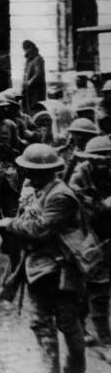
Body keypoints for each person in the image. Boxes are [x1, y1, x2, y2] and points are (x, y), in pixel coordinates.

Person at [0, 144, 85, 373]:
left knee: (67, 321)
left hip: (61, 267)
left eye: (33, 171)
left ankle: (74, 368)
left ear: (48, 172)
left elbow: (40, 229)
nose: (28, 175)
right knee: (40, 321)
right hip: (38, 265)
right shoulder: (37, 190)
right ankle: (50, 371)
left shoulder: (61, 196)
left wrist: (8, 224)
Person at [68, 136, 111, 359]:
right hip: (89, 236)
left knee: (98, 288)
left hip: (108, 234)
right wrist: (99, 204)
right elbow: (74, 201)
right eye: (99, 157)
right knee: (96, 288)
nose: (104, 161)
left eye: (107, 156)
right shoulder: (80, 173)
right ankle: (104, 341)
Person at [22, 40, 46, 114]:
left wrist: (29, 82)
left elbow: (38, 73)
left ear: (31, 48)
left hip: (36, 89)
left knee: (35, 106)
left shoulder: (38, 59)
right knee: (27, 107)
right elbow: (26, 73)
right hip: (28, 89)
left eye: (27, 49)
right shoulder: (29, 60)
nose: (26, 51)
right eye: (25, 49)